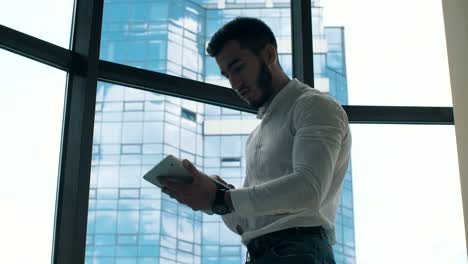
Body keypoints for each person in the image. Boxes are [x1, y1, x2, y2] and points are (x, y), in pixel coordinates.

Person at [160, 17, 351, 264]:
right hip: (260, 253)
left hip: (299, 251)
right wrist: (216, 196)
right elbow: (248, 220)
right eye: (227, 74)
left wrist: (224, 198)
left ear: (269, 55)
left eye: (238, 67)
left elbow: (309, 190)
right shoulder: (255, 136)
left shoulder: (313, 106)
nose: (234, 83)